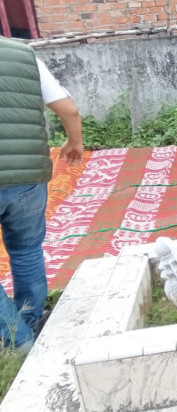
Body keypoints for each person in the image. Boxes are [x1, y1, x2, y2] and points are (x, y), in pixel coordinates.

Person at [0, 37, 83, 349]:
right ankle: (31, 321)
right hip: (29, 177)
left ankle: (18, 342)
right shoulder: (23, 55)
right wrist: (74, 142)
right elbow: (69, 109)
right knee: (26, 250)